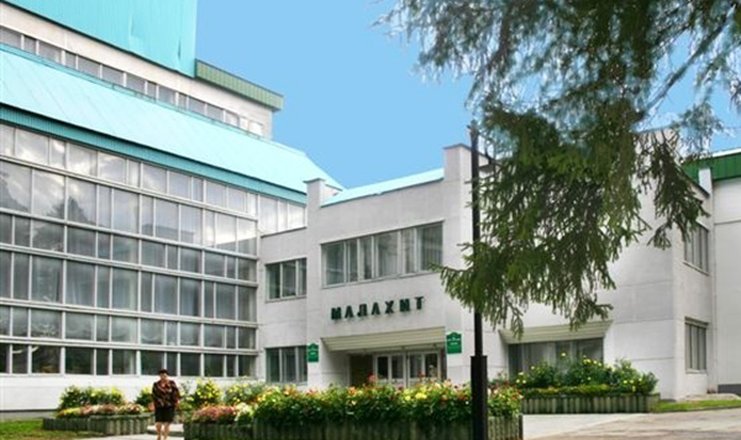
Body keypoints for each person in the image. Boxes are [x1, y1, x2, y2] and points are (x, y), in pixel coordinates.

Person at [152, 368, 180, 440]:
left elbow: (176, 393)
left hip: (169, 405)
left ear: (167, 375)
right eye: (161, 375)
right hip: (159, 405)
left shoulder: (172, 383)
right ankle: (159, 435)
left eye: (165, 375)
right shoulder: (156, 384)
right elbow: (154, 395)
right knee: (158, 423)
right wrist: (154, 403)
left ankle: (165, 438)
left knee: (167, 423)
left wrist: (177, 401)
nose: (163, 377)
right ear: (159, 376)